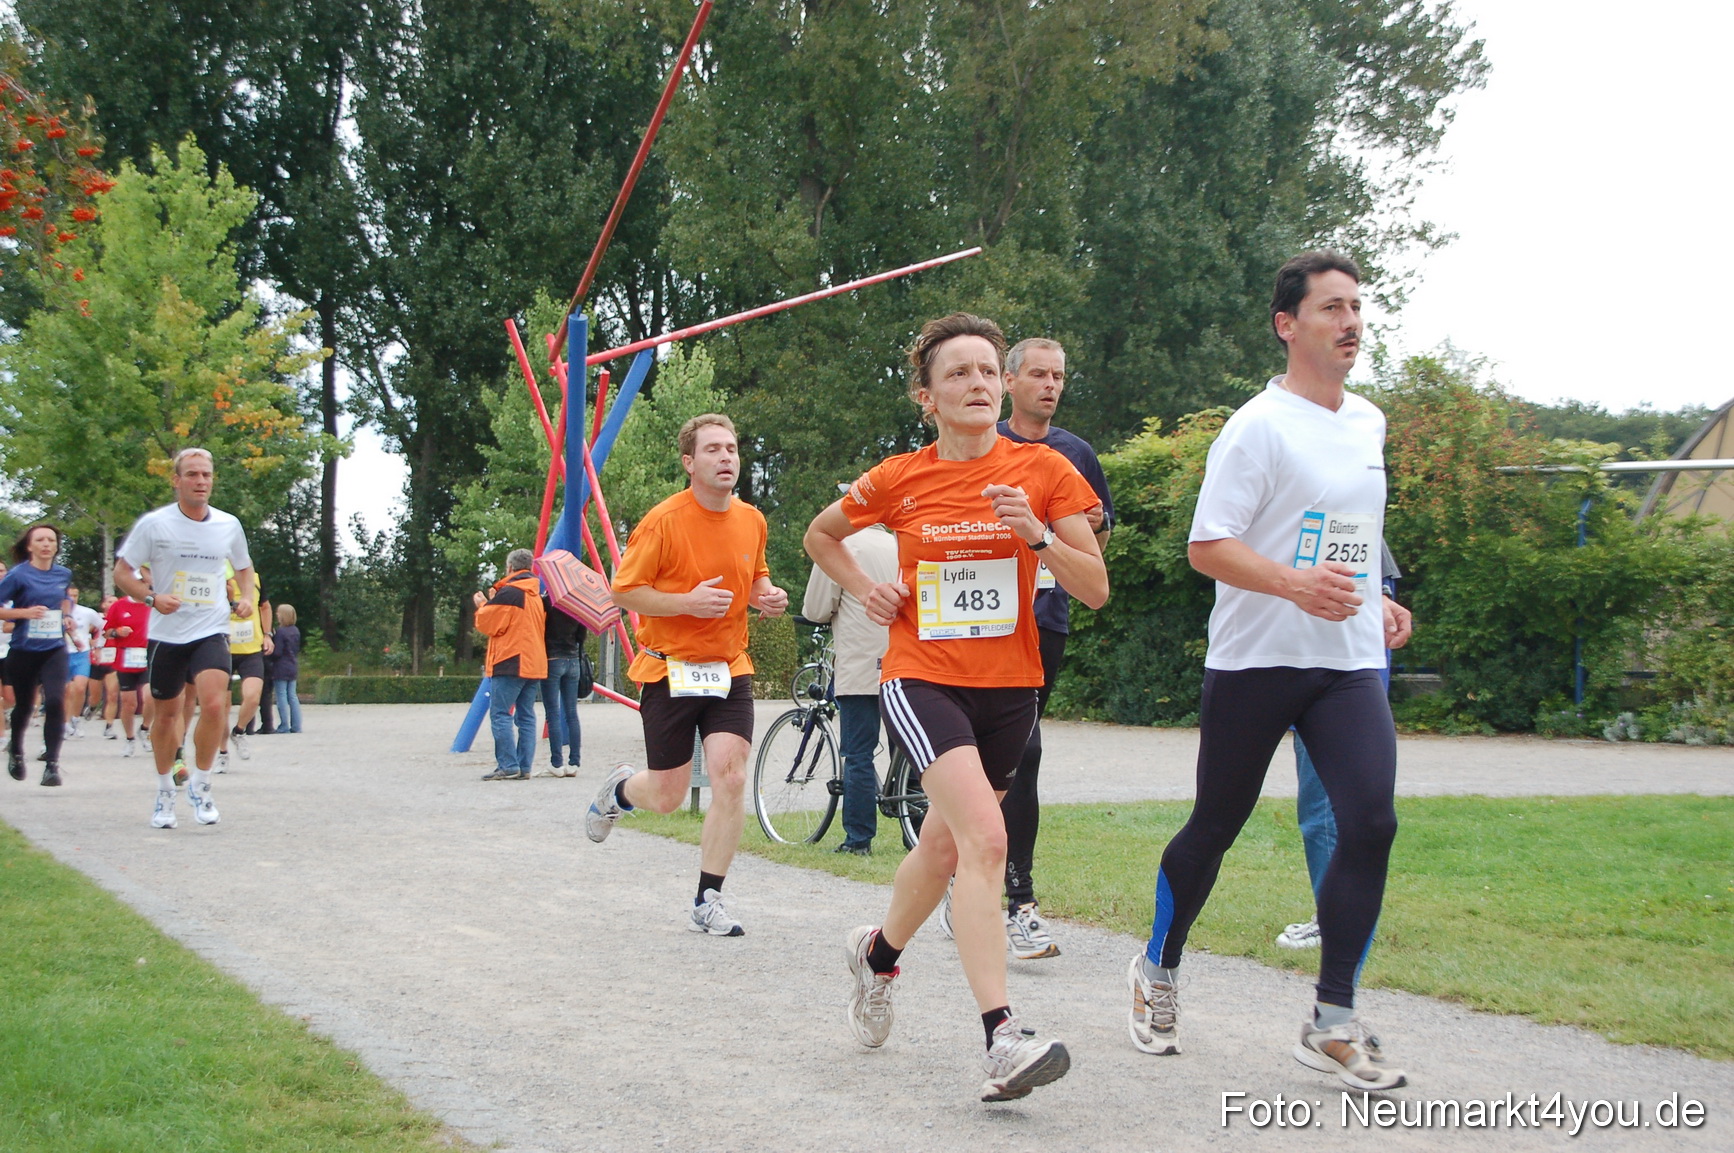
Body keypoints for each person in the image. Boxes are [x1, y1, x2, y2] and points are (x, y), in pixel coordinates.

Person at [1126, 251, 1414, 1092]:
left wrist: (1378, 595)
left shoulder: (1369, 421)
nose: (1351, 322)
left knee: (1371, 822)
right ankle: (1158, 967)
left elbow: (1350, 528)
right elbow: (1207, 545)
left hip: (1346, 662)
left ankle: (1331, 1020)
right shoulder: (1257, 425)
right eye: (1332, 308)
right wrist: (1294, 584)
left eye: (1356, 306)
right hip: (1257, 657)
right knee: (1216, 823)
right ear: (1288, 325)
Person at [804, 313, 1106, 1102]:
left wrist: (1036, 535)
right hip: (922, 676)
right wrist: (868, 587)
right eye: (958, 373)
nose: (978, 384)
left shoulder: (1045, 470)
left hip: (1010, 688)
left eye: (987, 371)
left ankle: (876, 956)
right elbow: (821, 535)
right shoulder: (899, 477)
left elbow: (1095, 587)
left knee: (944, 848)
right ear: (926, 396)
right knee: (986, 839)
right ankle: (1002, 1037)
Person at [586, 413, 790, 938]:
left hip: (729, 668)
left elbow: (755, 576)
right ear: (689, 462)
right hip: (669, 667)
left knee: (731, 776)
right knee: (668, 796)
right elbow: (623, 591)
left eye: (732, 448)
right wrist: (686, 603)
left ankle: (708, 898)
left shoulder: (752, 519)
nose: (726, 457)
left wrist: (766, 596)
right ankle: (620, 791)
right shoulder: (662, 521)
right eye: (713, 449)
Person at [985, 336, 1113, 959]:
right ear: (1010, 381)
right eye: (1039, 374)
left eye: (1059, 376)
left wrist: (1072, 532)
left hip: (1045, 619)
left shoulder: (1075, 454)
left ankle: (1012, 899)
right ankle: (1002, 891)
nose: (1051, 386)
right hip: (982, 620)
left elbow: (1096, 547)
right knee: (1005, 756)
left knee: (1021, 756)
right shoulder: (983, 443)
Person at [114, 447, 257, 829]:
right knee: (166, 716)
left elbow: (244, 567)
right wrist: (151, 598)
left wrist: (245, 597)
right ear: (176, 480)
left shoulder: (228, 524)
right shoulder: (155, 524)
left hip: (211, 628)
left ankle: (202, 784)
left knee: (214, 704)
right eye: (192, 474)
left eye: (206, 475)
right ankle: (165, 790)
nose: (201, 481)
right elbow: (122, 572)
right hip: (167, 633)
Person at [1278, 540, 1404, 951]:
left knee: (1325, 804)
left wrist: (1379, 596)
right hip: (1337, 632)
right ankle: (1343, 917)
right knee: (1343, 803)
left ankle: (1334, 920)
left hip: (1335, 651)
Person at [800, 514, 897, 855]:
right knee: (909, 750)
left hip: (861, 663)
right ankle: (915, 828)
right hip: (904, 659)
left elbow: (816, 608)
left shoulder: (838, 544)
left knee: (858, 753)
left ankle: (858, 839)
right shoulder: (898, 541)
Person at [0, 524, 76, 785]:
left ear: (56, 546)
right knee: (24, 706)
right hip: (24, 650)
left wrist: (67, 616)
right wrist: (24, 613)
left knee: (55, 701)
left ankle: (52, 765)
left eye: (51, 540)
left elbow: (65, 598)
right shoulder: (18, 575)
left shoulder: (63, 573)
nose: (46, 544)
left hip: (54, 648)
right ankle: (16, 750)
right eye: (40, 540)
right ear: (29, 546)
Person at [473, 548, 546, 780]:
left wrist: (483, 605)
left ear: (510, 567)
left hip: (511, 660)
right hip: (534, 661)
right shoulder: (535, 594)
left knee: (500, 714)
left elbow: (490, 624)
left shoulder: (511, 593)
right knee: (526, 716)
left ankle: (508, 765)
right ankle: (524, 766)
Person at [218, 562, 272, 768]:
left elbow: (265, 606)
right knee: (221, 707)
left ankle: (239, 731)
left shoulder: (255, 579)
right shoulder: (218, 579)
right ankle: (222, 752)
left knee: (253, 696)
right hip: (223, 649)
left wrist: (267, 635)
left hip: (251, 648)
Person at [538, 584, 586, 778]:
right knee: (571, 713)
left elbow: (539, 628)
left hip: (552, 658)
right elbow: (581, 636)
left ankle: (556, 763)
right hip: (573, 659)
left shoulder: (546, 602)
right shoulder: (577, 604)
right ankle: (574, 763)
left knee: (553, 713)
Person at [103, 587, 152, 756]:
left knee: (150, 697)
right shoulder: (119, 605)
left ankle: (145, 728)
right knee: (128, 703)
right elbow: (107, 632)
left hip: (148, 658)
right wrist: (117, 632)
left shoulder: (153, 603)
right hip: (126, 659)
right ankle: (130, 738)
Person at [61, 584, 102, 741]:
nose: (73, 598)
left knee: (79, 688)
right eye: (69, 595)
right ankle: (64, 723)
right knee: (65, 690)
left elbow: (103, 626)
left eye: (75, 595)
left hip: (81, 654)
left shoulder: (87, 612)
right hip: (62, 654)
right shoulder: (58, 611)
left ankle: (75, 719)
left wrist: (98, 645)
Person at [270, 603, 302, 734]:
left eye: (278, 613)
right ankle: (296, 725)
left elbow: (277, 652)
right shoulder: (296, 631)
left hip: (281, 666)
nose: (276, 615)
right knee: (293, 696)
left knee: (281, 696)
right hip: (292, 665)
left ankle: (284, 725)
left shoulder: (280, 632)